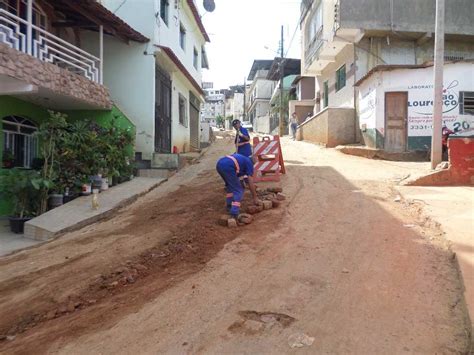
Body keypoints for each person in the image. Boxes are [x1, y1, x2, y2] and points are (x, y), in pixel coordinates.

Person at [216, 153, 260, 218]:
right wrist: (255, 197)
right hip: (228, 167)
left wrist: (245, 183)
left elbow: (244, 178)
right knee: (238, 190)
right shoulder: (249, 163)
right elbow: (250, 180)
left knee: (230, 186)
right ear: (253, 161)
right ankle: (234, 212)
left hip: (219, 164)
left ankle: (229, 205)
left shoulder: (244, 159)